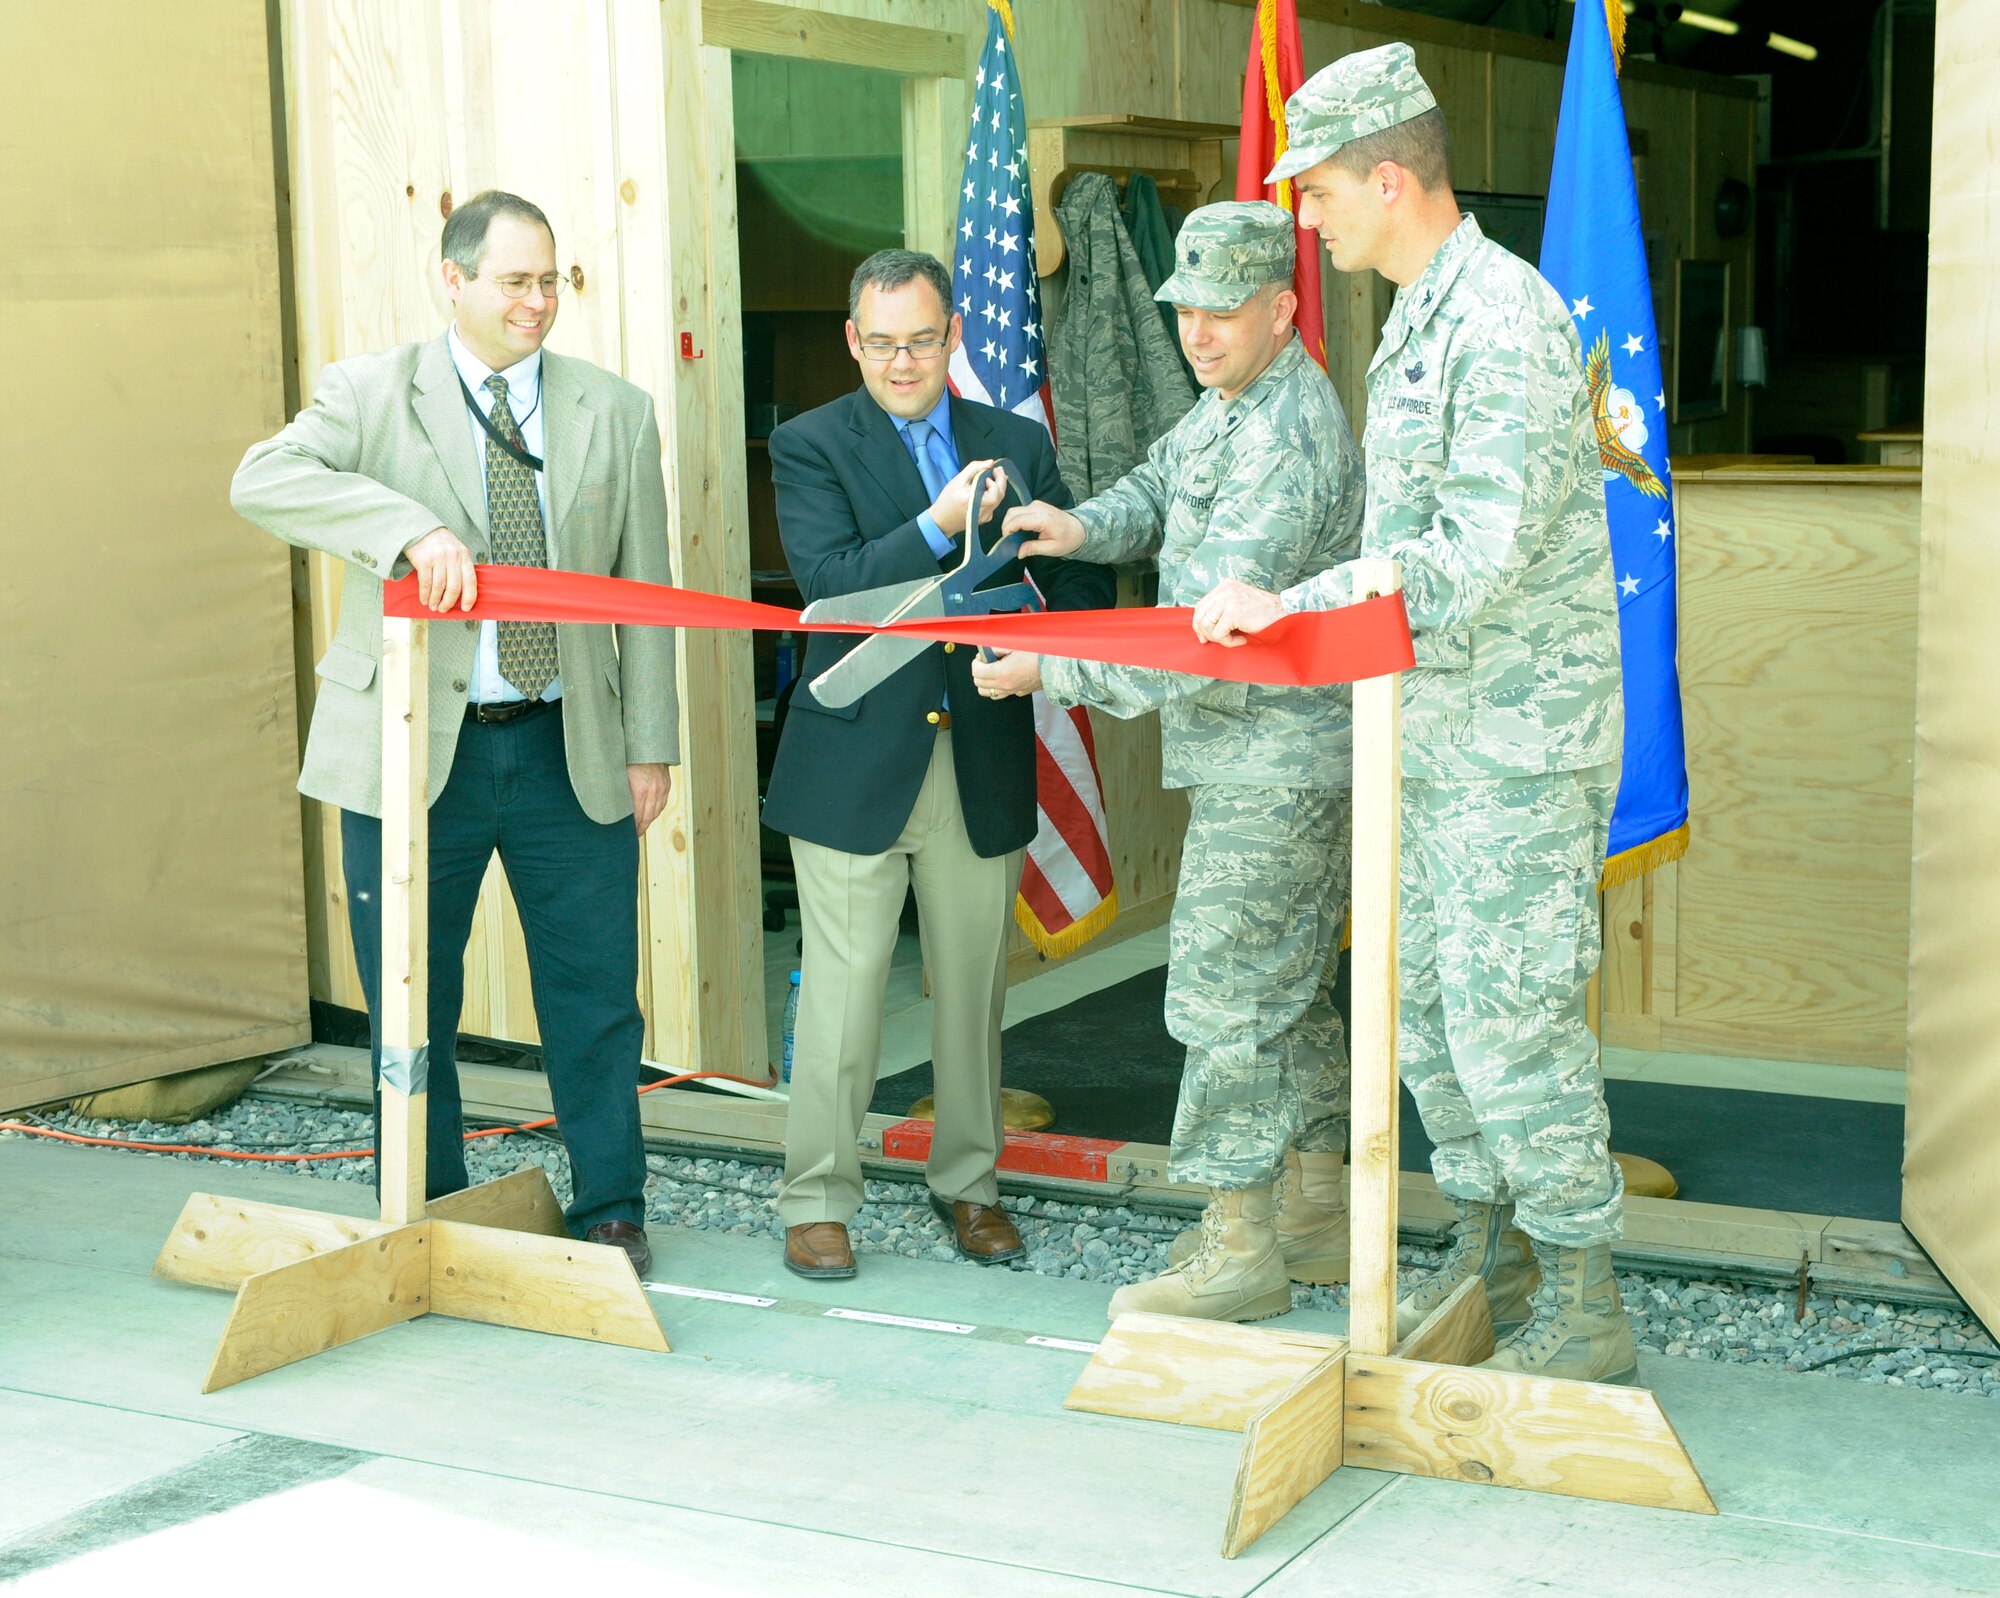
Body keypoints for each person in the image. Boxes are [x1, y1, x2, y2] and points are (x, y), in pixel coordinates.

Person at [1191, 45, 1634, 1382]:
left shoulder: (1497, 320)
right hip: (1435, 740)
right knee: (1434, 1018)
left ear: (1388, 179)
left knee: (1512, 1018)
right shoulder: (1417, 316)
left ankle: (1586, 1299)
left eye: (1319, 190)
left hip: (1515, 749)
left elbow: (1466, 559)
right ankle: (1496, 1247)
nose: (1305, 218)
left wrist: (1290, 603)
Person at [232, 190, 675, 1275]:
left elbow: (646, 592)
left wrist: (649, 743)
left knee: (594, 995)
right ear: (453, 280)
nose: (537, 302)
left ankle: (612, 1204)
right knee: (409, 994)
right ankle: (426, 1200)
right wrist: (409, 530)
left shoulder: (614, 410)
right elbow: (262, 478)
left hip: (570, 749)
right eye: (514, 281)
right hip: (409, 753)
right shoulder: (370, 392)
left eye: (550, 282)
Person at [973, 203, 1364, 1324]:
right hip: (1252, 755)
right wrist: (1077, 527)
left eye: (1221, 312)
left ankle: (1238, 1247)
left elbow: (1205, 633)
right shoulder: (1234, 401)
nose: (1197, 333)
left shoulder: (1288, 434)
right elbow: (1158, 486)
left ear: (1281, 310)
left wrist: (1047, 671)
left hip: (1279, 762)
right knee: (1287, 992)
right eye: (1185, 309)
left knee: (1226, 995)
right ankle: (1313, 1211)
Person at [762, 250, 1115, 1281]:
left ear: (954, 333)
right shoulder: (808, 442)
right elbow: (828, 585)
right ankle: (817, 1199)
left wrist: (1038, 634)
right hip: (852, 765)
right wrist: (938, 525)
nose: (902, 362)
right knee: (841, 999)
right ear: (851, 341)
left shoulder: (1017, 440)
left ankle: (970, 1184)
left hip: (982, 755)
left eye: (921, 340)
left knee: (971, 998)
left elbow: (1079, 584)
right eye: (881, 344)